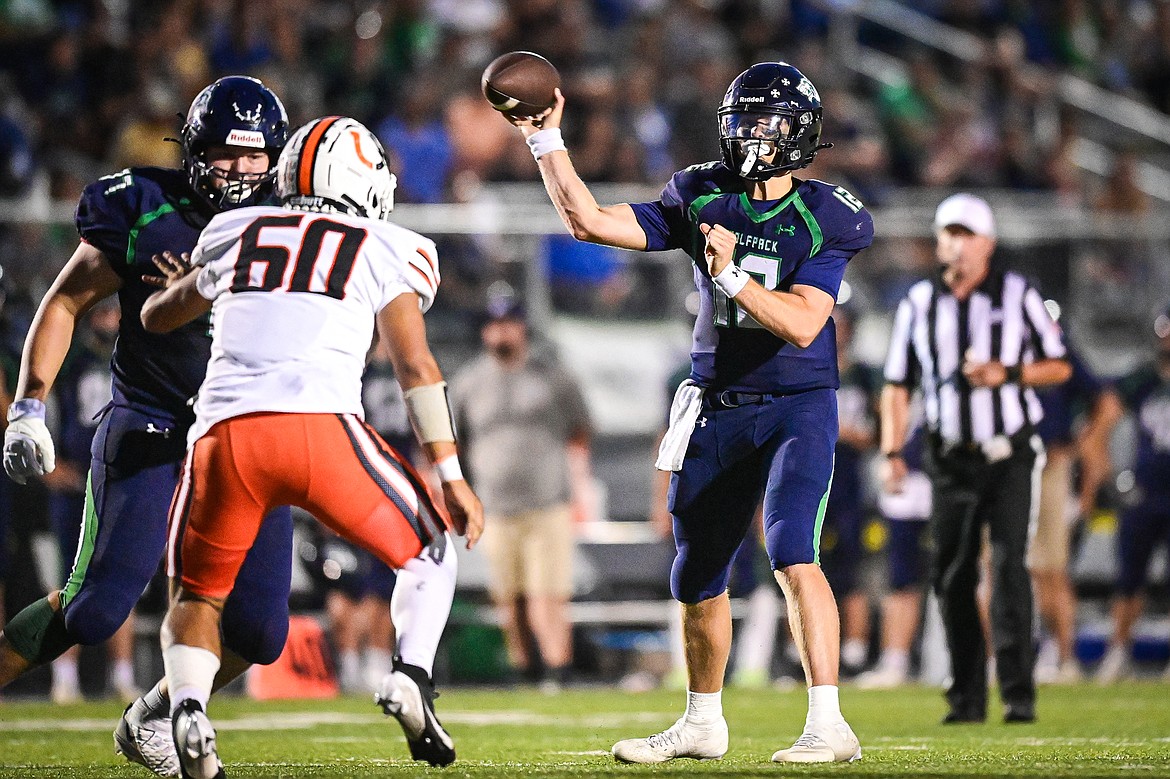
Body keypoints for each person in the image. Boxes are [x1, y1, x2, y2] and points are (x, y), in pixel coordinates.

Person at [505, 61, 872, 764]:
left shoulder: (829, 213)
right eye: (743, 120)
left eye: (766, 122)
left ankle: (829, 721)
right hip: (718, 402)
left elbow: (802, 323)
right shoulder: (701, 191)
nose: (750, 135)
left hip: (798, 403)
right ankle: (703, 721)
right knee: (696, 570)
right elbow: (588, 221)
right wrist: (546, 141)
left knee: (794, 548)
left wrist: (731, 273)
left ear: (800, 133)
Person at [139, 115, 483, 777]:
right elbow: (417, 367)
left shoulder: (235, 230)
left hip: (226, 436)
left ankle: (187, 708)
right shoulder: (386, 243)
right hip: (321, 427)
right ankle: (411, 674)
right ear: (362, 180)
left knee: (199, 598)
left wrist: (175, 288)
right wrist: (451, 473)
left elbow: (159, 317)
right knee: (431, 553)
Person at [0, 76, 296, 777]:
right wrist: (29, 405)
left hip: (246, 437)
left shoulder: (292, 221)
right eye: (227, 152)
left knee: (259, 630)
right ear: (195, 148)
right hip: (154, 421)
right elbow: (66, 299)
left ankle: (152, 714)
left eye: (256, 157)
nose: (241, 170)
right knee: (95, 608)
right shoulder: (145, 206)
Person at [880, 193, 1071, 724]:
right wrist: (892, 450)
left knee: (1011, 567)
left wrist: (1006, 374)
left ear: (987, 243)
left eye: (966, 234)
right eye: (948, 233)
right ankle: (965, 693)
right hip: (948, 455)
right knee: (952, 572)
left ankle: (1017, 693)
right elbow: (897, 385)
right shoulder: (919, 301)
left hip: (1009, 451)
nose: (956, 244)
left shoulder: (1017, 293)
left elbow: (1059, 366)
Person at [449, 297, 592, 691]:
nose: (501, 332)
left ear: (523, 327)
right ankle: (522, 667)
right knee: (508, 597)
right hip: (494, 506)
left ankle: (557, 668)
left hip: (547, 502)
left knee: (548, 593)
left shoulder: (552, 376)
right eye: (494, 324)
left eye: (509, 323)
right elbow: (452, 444)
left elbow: (580, 431)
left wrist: (580, 487)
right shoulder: (468, 382)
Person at [45, 298, 140, 705]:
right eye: (100, 313)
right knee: (70, 581)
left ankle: (123, 676)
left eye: (111, 313)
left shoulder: (135, 358)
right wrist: (51, 466)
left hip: (117, 481)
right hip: (75, 485)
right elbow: (42, 413)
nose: (107, 321)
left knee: (122, 579)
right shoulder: (69, 362)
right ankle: (64, 677)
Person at [1031, 343, 1122, 684]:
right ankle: (1035, 652)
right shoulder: (1002, 342)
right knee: (1026, 571)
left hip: (1053, 465)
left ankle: (1063, 654)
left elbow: (1108, 406)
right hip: (1012, 466)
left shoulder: (1061, 351)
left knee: (1053, 569)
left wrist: (1085, 443)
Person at [1096, 307, 1170, 683]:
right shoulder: (1144, 379)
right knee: (1129, 578)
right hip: (1146, 493)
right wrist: (1113, 479)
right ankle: (1118, 650)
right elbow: (1101, 422)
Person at [822, 305, 879, 676]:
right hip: (812, 479)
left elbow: (881, 431)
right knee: (801, 566)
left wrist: (845, 433)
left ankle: (855, 649)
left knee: (852, 571)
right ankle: (803, 652)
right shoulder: (805, 365)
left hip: (852, 484)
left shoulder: (865, 377)